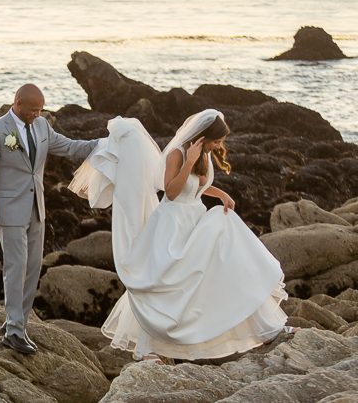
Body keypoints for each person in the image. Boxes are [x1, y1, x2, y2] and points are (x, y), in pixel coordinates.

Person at [68, 109, 288, 363]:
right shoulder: (177, 154)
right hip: (172, 225)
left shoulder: (204, 154)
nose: (219, 146)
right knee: (161, 286)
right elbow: (171, 191)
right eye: (216, 141)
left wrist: (220, 195)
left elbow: (198, 185)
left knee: (229, 263)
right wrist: (189, 160)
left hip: (195, 218)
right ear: (202, 136)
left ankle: (268, 328)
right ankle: (147, 348)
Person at [0, 83, 99, 354]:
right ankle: (14, 331)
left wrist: (103, 145)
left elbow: (68, 147)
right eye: (33, 110)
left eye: (40, 110)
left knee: (32, 270)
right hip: (8, 211)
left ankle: (17, 324)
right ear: (17, 103)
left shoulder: (42, 126)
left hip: (37, 209)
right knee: (15, 269)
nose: (37, 115)